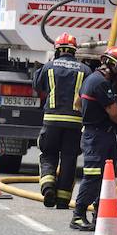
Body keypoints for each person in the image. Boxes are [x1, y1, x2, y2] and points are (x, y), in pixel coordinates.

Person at [71, 46, 117, 231]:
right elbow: (113, 112)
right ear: (115, 66)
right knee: (94, 177)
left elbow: (77, 104)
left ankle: (100, 215)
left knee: (105, 178)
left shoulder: (91, 79)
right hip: (98, 136)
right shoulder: (102, 84)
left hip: (94, 133)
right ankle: (78, 216)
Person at [33, 33, 91, 209]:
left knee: (49, 153)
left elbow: (37, 86)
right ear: (74, 51)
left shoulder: (49, 66)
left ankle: (48, 185)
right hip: (74, 123)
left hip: (51, 120)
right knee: (69, 159)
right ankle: (63, 199)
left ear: (57, 50)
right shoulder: (85, 70)